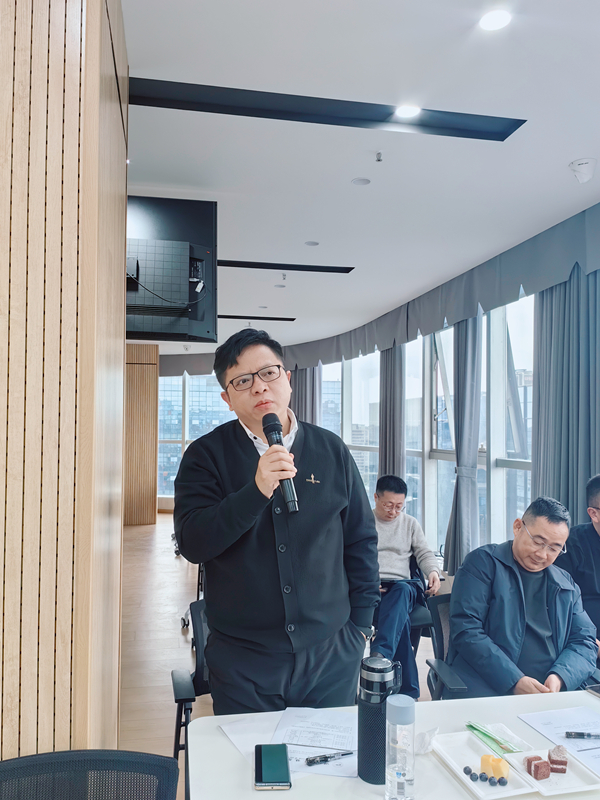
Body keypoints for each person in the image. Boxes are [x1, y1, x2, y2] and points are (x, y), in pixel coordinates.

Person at [174, 328, 380, 715]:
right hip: (243, 660)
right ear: (227, 398)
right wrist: (256, 491)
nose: (259, 387)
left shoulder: (331, 449)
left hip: (332, 653)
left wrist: (361, 626)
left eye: (268, 373)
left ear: (287, 378)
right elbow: (193, 543)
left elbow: (360, 540)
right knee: (248, 755)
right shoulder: (204, 456)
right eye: (242, 381)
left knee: (326, 752)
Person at [446, 496, 597, 698]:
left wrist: (560, 677)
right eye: (538, 542)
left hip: (551, 690)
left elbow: (584, 640)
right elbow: (466, 630)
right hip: (489, 683)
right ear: (518, 527)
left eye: (554, 548)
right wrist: (514, 680)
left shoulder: (565, 582)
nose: (542, 554)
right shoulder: (483, 564)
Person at [370, 475, 441, 698]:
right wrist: (367, 582)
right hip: (373, 588)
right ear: (376, 498)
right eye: (388, 505)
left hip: (404, 587)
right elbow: (350, 557)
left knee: (400, 591)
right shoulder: (363, 522)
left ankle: (380, 655)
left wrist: (433, 572)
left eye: (399, 506)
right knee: (399, 623)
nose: (393, 511)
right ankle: (408, 692)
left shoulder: (410, 524)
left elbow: (424, 553)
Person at [556, 475, 600, 662]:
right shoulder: (568, 546)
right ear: (594, 514)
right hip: (586, 646)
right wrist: (592, 644)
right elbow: (560, 610)